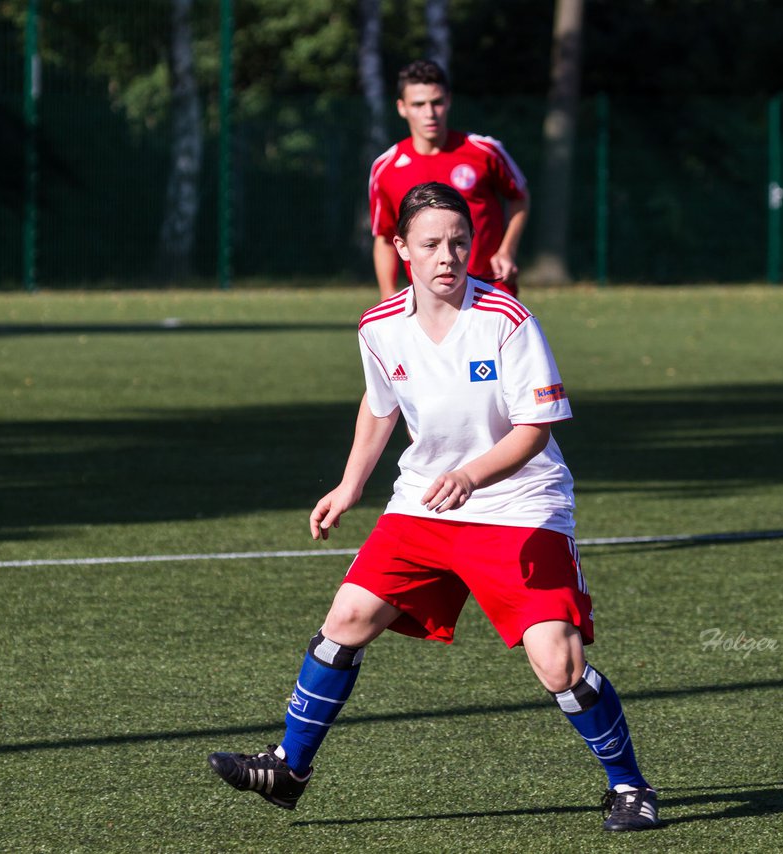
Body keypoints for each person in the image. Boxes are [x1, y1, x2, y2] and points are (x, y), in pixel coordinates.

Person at [207, 182, 658, 833]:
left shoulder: (506, 319)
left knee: (558, 662)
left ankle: (631, 786)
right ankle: (289, 766)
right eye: (430, 244)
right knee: (348, 618)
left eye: (458, 241)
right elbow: (380, 404)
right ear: (400, 249)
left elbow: (535, 428)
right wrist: (350, 484)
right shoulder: (379, 327)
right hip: (426, 503)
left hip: (519, 503)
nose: (447, 255)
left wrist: (473, 475)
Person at [368, 60, 530, 299]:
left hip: (491, 289)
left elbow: (520, 197)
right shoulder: (386, 167)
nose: (429, 113)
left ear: (449, 101)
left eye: (437, 102)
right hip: (429, 301)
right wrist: (387, 294)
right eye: (418, 104)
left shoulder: (484, 150)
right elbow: (384, 238)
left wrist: (506, 251)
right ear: (402, 108)